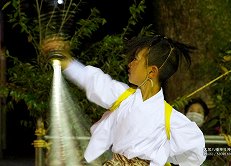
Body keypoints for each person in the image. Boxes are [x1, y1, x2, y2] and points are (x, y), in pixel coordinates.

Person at [42, 35, 206, 166]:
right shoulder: (124, 97)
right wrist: (67, 62)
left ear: (152, 72)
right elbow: (94, 81)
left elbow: (197, 152)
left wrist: (165, 156)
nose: (130, 63)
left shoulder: (170, 119)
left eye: (136, 59)